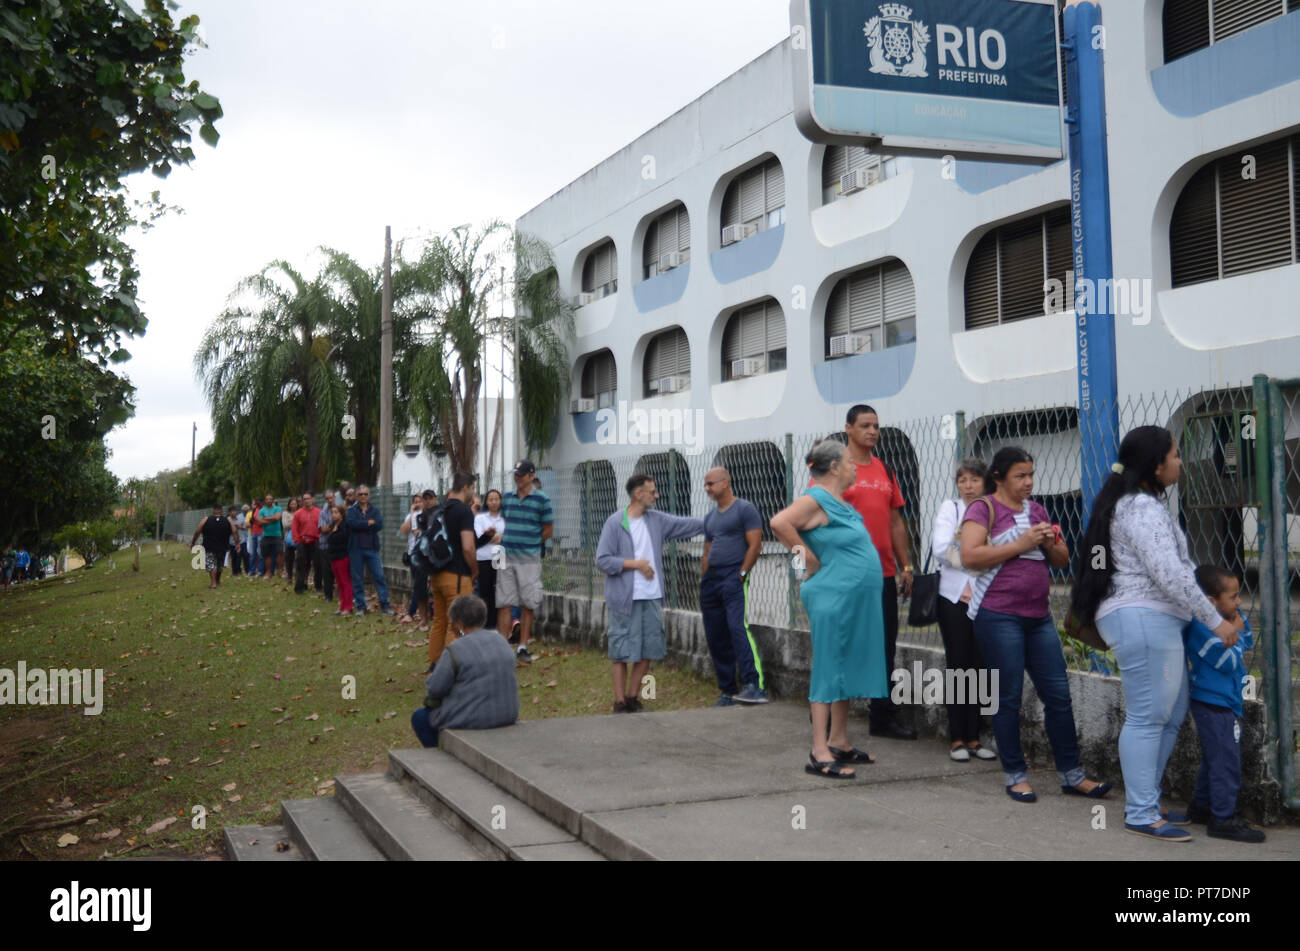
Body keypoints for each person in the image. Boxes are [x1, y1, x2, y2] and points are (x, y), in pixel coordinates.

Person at [1070, 426, 1240, 840]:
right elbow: (1171, 575)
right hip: (1143, 619)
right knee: (1150, 716)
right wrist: (1214, 619)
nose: (1181, 462)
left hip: (1151, 620)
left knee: (1169, 715)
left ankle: (1148, 798)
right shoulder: (1141, 509)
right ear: (1156, 464)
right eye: (1176, 455)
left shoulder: (1136, 505)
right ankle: (1142, 812)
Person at [960, 446, 1111, 804]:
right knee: (1008, 698)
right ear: (999, 478)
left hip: (1038, 617)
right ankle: (1015, 775)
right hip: (998, 616)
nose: (1028, 482)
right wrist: (1021, 543)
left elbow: (1060, 559)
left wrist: (1048, 541)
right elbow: (970, 556)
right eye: (1020, 476)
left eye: (1031, 474)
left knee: (1058, 696)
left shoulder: (1037, 509)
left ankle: (1072, 775)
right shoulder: (984, 509)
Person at [771, 439, 887, 777]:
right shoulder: (816, 497)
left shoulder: (839, 501)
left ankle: (838, 740)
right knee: (829, 665)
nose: (855, 466)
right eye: (850, 461)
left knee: (844, 665)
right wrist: (805, 558)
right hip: (832, 595)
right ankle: (818, 751)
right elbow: (780, 523)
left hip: (850, 596)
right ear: (834, 467)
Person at [595, 474, 705, 712]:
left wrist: (715, 521)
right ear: (638, 494)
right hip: (625, 600)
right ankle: (619, 702)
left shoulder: (656, 520)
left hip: (652, 596)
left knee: (649, 649)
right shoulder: (615, 522)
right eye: (652, 492)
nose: (656, 496)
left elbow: (684, 525)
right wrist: (636, 564)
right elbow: (602, 560)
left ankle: (634, 698)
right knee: (621, 651)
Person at [842, 404, 916, 740]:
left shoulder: (884, 468)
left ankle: (883, 718)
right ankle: (831, 720)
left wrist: (906, 565)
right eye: (865, 425)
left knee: (884, 647)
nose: (872, 431)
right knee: (844, 646)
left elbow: (896, 521)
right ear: (849, 429)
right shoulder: (835, 468)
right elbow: (816, 519)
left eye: (876, 426)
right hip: (848, 574)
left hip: (884, 575)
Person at [1183, 565, 1264, 843]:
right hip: (1212, 703)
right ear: (1210, 602)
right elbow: (1228, 661)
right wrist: (1237, 634)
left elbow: (1248, 642)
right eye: (1233, 597)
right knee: (1227, 761)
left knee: (1216, 758)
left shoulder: (1228, 620)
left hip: (1226, 702)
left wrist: (1238, 628)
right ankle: (1223, 817)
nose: (1239, 602)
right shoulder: (1201, 628)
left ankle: (1203, 807)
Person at [930, 458, 997, 762]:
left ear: (986, 482)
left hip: (986, 597)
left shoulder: (994, 510)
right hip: (953, 598)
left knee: (981, 666)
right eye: (963, 480)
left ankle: (975, 737)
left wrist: (972, 552)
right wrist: (978, 555)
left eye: (974, 480)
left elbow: (1002, 550)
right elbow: (941, 549)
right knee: (959, 666)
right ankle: (957, 737)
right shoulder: (951, 509)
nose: (968, 486)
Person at [411, 595, 519, 748]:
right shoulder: (502, 642)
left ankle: (444, 754)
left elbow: (435, 688)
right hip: (507, 714)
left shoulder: (455, 649)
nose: (452, 628)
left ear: (459, 624)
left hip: (475, 719)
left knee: (420, 717)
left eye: (453, 624)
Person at [700, 467, 766, 706]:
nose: (707, 488)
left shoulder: (744, 509)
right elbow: (707, 551)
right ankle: (727, 690)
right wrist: (704, 578)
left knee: (737, 628)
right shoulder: (710, 517)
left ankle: (754, 685)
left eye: (711, 484)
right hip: (712, 581)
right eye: (705, 484)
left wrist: (742, 573)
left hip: (733, 576)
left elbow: (755, 544)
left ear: (725, 483)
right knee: (715, 634)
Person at [497, 460, 553, 664]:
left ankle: (522, 647)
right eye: (516, 474)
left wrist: (532, 543)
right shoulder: (507, 498)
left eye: (521, 474)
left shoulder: (542, 500)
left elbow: (548, 528)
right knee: (504, 601)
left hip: (529, 558)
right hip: (507, 556)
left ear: (531, 476)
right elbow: (504, 523)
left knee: (528, 602)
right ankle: (504, 647)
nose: (517, 477)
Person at [427, 472, 480, 668]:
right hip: (457, 575)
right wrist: (474, 569)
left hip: (437, 574)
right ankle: (451, 668)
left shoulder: (440, 510)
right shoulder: (463, 512)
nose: (473, 492)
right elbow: (468, 546)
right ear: (466, 487)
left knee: (439, 620)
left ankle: (435, 663)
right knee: (458, 623)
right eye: (473, 488)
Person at [347, 485, 395, 616]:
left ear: (369, 495)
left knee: (379, 576)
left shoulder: (375, 510)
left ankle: (385, 605)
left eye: (365, 494)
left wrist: (363, 524)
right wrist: (368, 523)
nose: (363, 496)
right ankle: (361, 607)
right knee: (357, 578)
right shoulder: (351, 511)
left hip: (372, 549)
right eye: (360, 494)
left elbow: (379, 525)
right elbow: (352, 524)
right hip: (356, 549)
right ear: (356, 496)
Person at [474, 489, 505, 630]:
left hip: (499, 555)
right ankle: (485, 622)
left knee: (498, 590)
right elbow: (481, 537)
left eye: (496, 499)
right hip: (483, 557)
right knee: (485, 590)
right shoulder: (480, 518)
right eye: (491, 499)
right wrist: (494, 537)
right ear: (486, 501)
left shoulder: (504, 518)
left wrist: (499, 537)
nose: (494, 502)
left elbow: (505, 536)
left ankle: (495, 621)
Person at [398, 492, 428, 625]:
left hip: (424, 554)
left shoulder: (428, 516)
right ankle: (419, 613)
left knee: (420, 586)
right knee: (416, 584)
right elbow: (404, 531)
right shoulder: (411, 516)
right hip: (412, 554)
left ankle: (412, 612)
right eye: (415, 501)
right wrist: (411, 515)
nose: (418, 504)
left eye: (420, 501)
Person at [191, 504, 234, 589]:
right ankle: (217, 581)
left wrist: (193, 542)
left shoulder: (206, 519)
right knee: (219, 564)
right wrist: (238, 543)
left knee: (211, 564)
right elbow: (235, 531)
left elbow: (197, 531)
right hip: (223, 546)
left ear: (213, 510)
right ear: (221, 511)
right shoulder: (227, 520)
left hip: (209, 546)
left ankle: (213, 583)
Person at [325, 503, 352, 616]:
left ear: (341, 514)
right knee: (339, 583)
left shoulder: (345, 526)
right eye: (332, 513)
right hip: (334, 557)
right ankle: (341, 606)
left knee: (345, 582)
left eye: (336, 512)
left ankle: (348, 606)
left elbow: (345, 541)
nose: (334, 515)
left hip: (343, 557)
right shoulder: (332, 526)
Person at [292, 492, 322, 595]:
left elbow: (322, 527)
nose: (306, 501)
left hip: (315, 541)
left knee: (318, 564)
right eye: (304, 499)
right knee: (301, 565)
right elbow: (294, 528)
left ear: (312, 499)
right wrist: (297, 541)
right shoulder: (298, 513)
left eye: (308, 498)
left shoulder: (319, 512)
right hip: (302, 542)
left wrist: (319, 539)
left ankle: (318, 586)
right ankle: (299, 587)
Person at [256, 494, 284, 580]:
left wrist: (265, 519)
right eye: (267, 499)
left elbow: (277, 517)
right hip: (265, 535)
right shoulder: (262, 510)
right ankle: (268, 572)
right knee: (266, 555)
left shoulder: (278, 508)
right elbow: (259, 522)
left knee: (280, 553)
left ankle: (280, 571)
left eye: (270, 499)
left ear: (273, 500)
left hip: (277, 535)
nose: (269, 500)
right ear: (265, 501)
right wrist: (272, 519)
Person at [314, 494, 334, 600]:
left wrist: (330, 526)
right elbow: (323, 529)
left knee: (338, 571)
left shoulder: (340, 509)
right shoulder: (323, 512)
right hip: (325, 545)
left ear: (334, 498)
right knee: (326, 571)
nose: (329, 500)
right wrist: (335, 524)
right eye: (327, 498)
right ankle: (328, 595)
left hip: (338, 545)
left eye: (331, 498)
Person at [282, 498, 298, 580]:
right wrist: (295, 521)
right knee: (288, 557)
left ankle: (296, 572)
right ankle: (288, 573)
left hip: (298, 537)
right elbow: (285, 525)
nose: (293, 505)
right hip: (288, 537)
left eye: (295, 503)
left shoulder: (300, 512)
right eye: (292, 503)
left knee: (298, 556)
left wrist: (291, 522)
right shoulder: (285, 513)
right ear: (289, 504)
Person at [246, 501, 263, 577]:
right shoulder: (252, 512)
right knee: (252, 553)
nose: (254, 505)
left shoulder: (262, 510)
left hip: (260, 533)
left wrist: (256, 519)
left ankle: (260, 570)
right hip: (253, 533)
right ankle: (252, 570)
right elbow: (249, 524)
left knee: (260, 553)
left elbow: (261, 522)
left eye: (255, 504)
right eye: (253, 504)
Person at [227, 506, 245, 576]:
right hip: (231, 541)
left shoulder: (240, 518)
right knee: (233, 557)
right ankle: (234, 571)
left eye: (234, 511)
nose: (233, 513)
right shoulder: (228, 520)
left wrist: (240, 527)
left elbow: (245, 527)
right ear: (229, 512)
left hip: (241, 540)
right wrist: (233, 527)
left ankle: (238, 571)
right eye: (231, 511)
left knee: (239, 556)